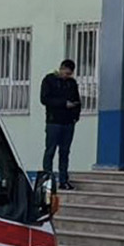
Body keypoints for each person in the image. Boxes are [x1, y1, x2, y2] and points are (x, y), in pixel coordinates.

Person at [39, 59, 82, 191]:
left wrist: (75, 117)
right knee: (50, 151)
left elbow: (77, 100)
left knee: (65, 152)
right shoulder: (49, 80)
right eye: (66, 73)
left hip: (68, 122)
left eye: (70, 74)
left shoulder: (71, 83)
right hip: (54, 121)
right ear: (61, 69)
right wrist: (63, 104)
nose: (67, 76)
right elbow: (44, 99)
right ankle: (47, 180)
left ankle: (63, 180)